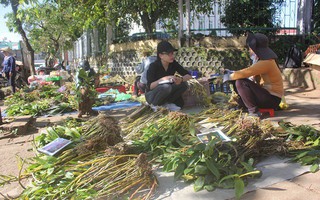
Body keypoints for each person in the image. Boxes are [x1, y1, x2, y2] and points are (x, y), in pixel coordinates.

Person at [224, 32, 284, 117]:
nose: (249, 51)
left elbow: (246, 72)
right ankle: (244, 105)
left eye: (250, 49)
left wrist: (229, 76)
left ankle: (254, 112)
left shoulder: (266, 62)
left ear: (256, 49)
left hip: (272, 99)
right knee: (237, 81)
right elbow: (250, 75)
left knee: (240, 82)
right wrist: (231, 73)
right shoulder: (265, 60)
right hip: (269, 97)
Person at [145, 41, 192, 111]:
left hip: (167, 92)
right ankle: (154, 105)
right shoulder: (153, 66)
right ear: (161, 55)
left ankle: (166, 103)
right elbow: (150, 86)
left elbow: (188, 75)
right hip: (152, 95)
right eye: (169, 54)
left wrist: (181, 79)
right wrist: (163, 79)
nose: (172, 56)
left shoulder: (173, 63)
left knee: (184, 84)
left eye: (172, 53)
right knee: (166, 87)